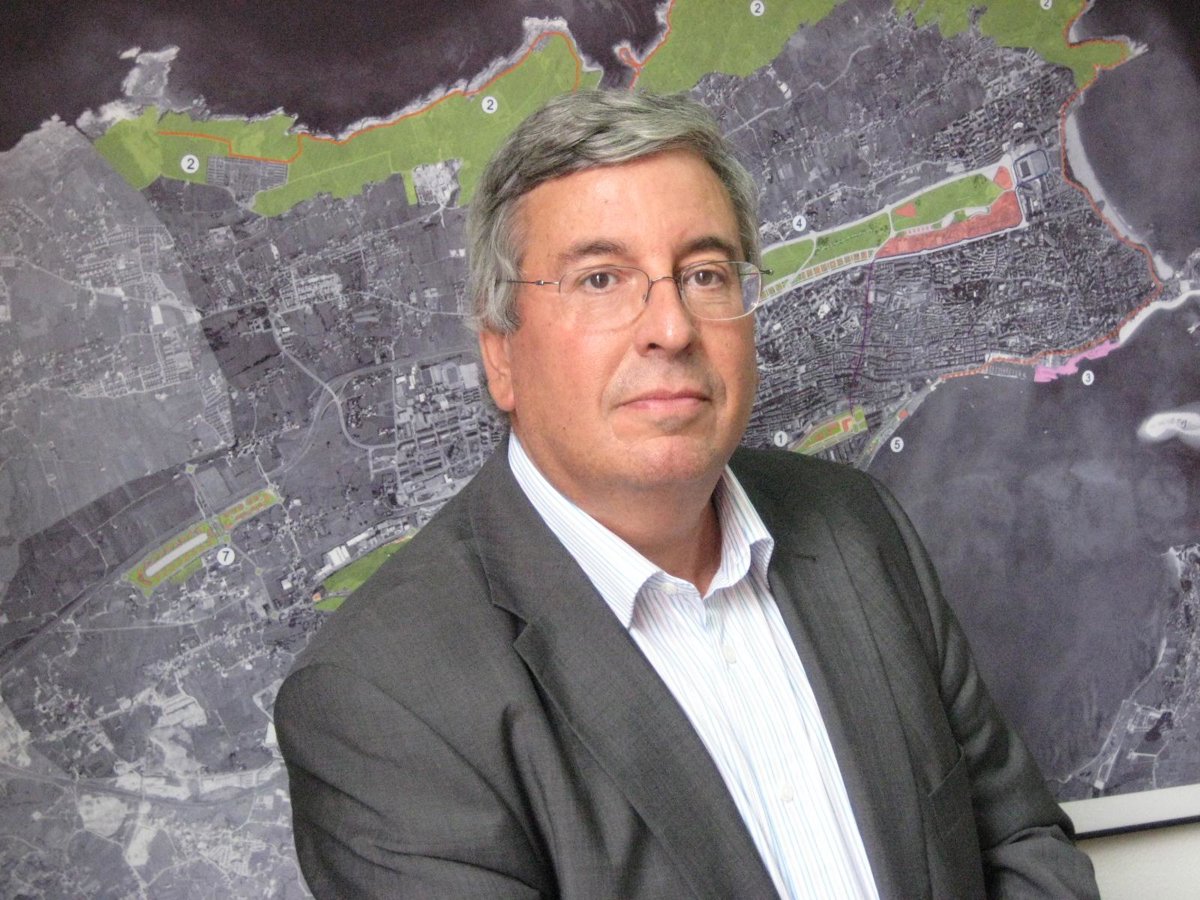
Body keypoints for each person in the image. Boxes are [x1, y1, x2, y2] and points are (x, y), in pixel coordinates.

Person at [274, 89, 1100, 899]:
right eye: (601, 279)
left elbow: (1018, 844)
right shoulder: (380, 702)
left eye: (704, 273)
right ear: (501, 357)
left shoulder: (857, 525)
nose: (670, 328)